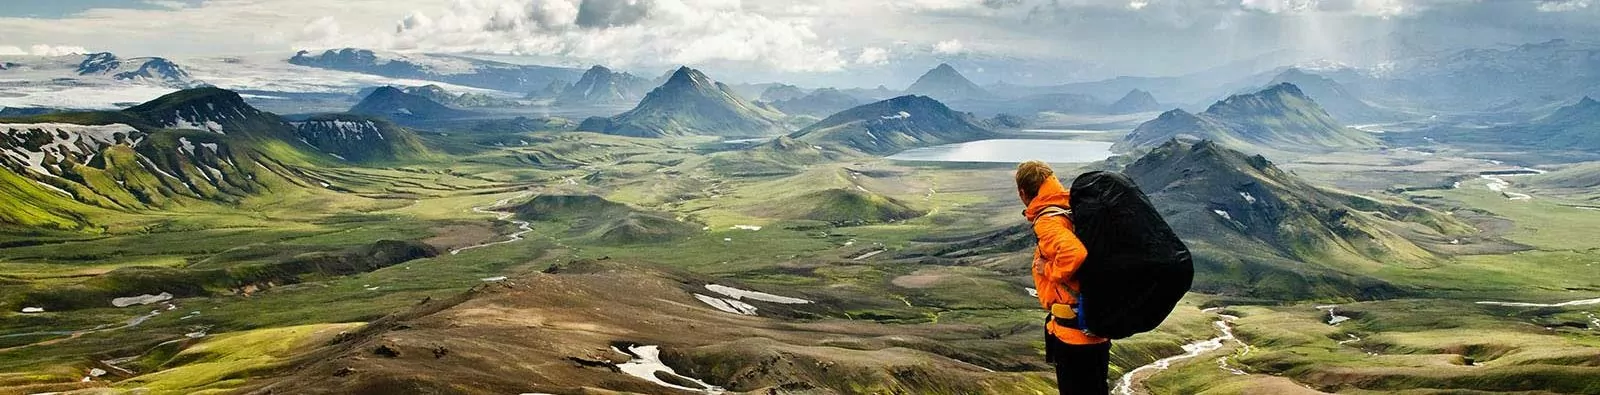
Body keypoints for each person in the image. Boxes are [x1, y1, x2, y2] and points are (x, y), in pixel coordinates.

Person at [1016, 160, 1111, 395]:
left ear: (1022, 193)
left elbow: (1074, 253)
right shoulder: (1070, 208)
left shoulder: (1049, 221)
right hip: (1093, 324)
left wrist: (1046, 269)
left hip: (1074, 335)